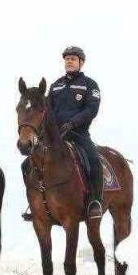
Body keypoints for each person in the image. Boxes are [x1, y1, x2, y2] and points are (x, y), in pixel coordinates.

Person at [50, 46, 104, 219]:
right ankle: (35, 203)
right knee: (31, 162)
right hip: (56, 136)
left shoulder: (90, 84)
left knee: (94, 161)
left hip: (79, 134)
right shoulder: (55, 86)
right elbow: (47, 110)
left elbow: (92, 109)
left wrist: (73, 123)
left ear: (81, 62)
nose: (69, 61)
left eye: (73, 58)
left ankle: (94, 201)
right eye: (67, 59)